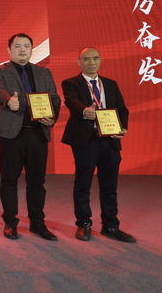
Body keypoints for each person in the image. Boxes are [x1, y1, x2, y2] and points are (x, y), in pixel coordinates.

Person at [0, 33, 61, 241]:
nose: (22, 50)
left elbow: (55, 98)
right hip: (13, 134)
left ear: (31, 49)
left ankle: (37, 223)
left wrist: (52, 117)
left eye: (26, 46)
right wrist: (8, 101)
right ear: (9, 50)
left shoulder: (44, 72)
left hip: (38, 132)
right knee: (9, 180)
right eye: (18, 46)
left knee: (37, 181)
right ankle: (10, 223)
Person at [61, 48, 134, 243]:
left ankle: (110, 225)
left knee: (110, 185)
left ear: (100, 60)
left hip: (110, 139)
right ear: (79, 62)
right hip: (86, 140)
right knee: (83, 184)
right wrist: (86, 111)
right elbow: (71, 102)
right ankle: (83, 223)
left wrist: (123, 128)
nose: (91, 62)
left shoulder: (110, 84)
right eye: (86, 59)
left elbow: (122, 110)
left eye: (95, 58)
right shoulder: (71, 83)